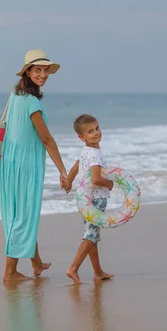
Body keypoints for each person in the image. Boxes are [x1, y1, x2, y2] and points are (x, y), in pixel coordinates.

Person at [0, 49, 68, 282]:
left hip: (9, 164)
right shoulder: (31, 104)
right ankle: (9, 272)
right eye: (37, 70)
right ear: (27, 72)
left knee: (20, 215)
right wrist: (62, 170)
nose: (43, 74)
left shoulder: (15, 95)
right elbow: (46, 139)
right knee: (24, 217)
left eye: (45, 70)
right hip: (26, 167)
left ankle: (36, 264)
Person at [63, 114, 115, 284]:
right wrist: (110, 184)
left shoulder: (87, 151)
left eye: (97, 128)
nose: (96, 133)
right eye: (90, 131)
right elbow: (96, 179)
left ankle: (98, 272)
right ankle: (73, 268)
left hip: (85, 199)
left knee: (92, 235)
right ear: (82, 137)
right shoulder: (95, 155)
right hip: (97, 199)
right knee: (90, 236)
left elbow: (76, 167)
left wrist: (69, 181)